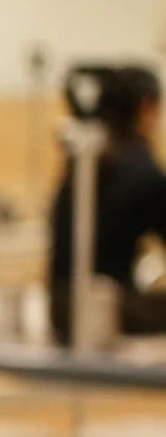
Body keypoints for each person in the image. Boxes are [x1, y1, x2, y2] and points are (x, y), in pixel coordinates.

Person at [47, 65, 166, 345]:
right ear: (146, 107)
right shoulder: (139, 167)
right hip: (99, 311)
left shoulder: (85, 160)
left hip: (60, 308)